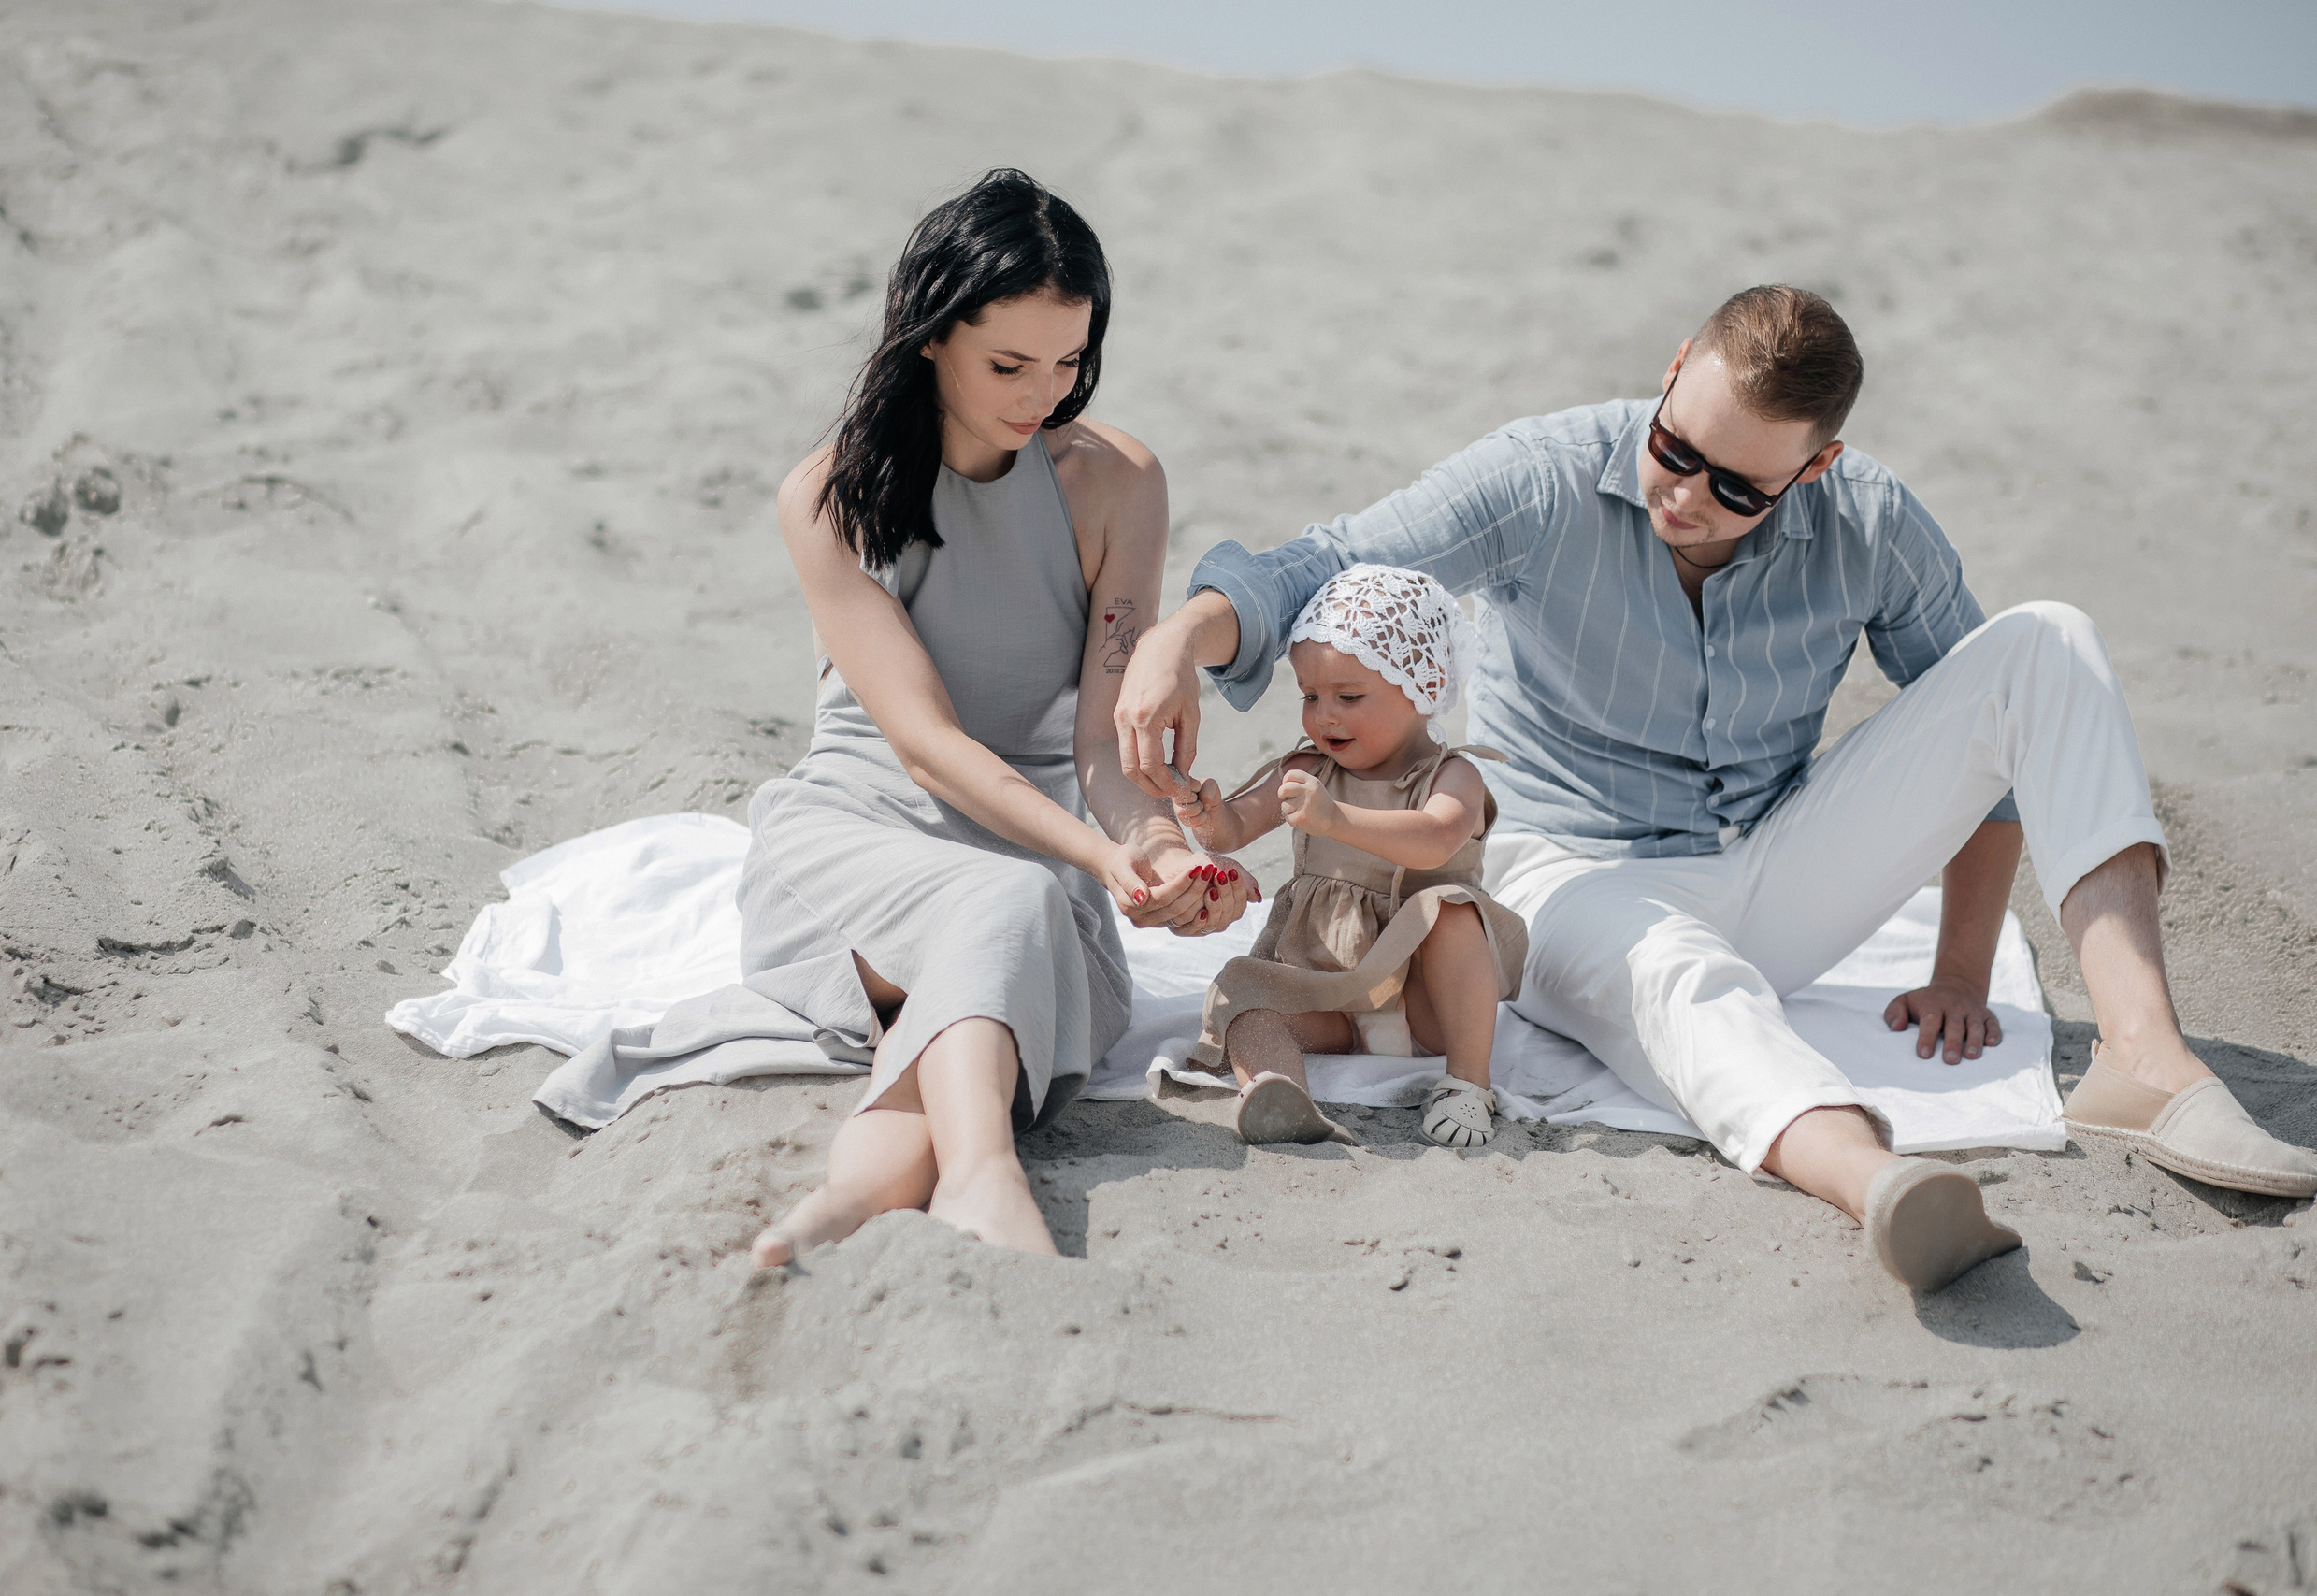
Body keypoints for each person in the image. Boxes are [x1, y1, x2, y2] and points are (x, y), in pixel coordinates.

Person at [1117, 285, 2317, 1294]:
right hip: (1567, 874)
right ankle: (1881, 1183)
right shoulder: (1542, 475)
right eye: (1671, 447)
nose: (1685, 493)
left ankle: (2144, 1058)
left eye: (1736, 485)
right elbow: (1328, 560)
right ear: (1673, 368)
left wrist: (1959, 970)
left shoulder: (1871, 521)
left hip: (1777, 855)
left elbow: (1986, 737)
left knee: (2045, 639)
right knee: (1677, 978)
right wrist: (1187, 633)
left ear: (1815, 465)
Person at [741, 169, 1253, 1268]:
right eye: (1007, 364)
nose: (1043, 395)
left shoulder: (1115, 481)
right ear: (929, 336)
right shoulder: (829, 496)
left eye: (1070, 362)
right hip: (859, 839)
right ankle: (984, 1174)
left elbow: (1103, 743)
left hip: (1030, 854)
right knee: (1008, 902)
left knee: (1008, 916)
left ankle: (845, 1202)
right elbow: (923, 747)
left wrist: (1156, 849)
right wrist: (1096, 860)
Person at [1171, 565, 1526, 1149]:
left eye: (1349, 696)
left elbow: (1437, 836)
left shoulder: (1451, 774)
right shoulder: (1310, 769)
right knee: (1242, 992)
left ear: (1425, 686)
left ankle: (1468, 1082)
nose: (1325, 714)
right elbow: (1235, 827)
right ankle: (1276, 1088)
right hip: (1328, 992)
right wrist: (1208, 818)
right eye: (1311, 695)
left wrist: (1337, 820)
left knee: (1452, 910)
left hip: (1420, 1004)